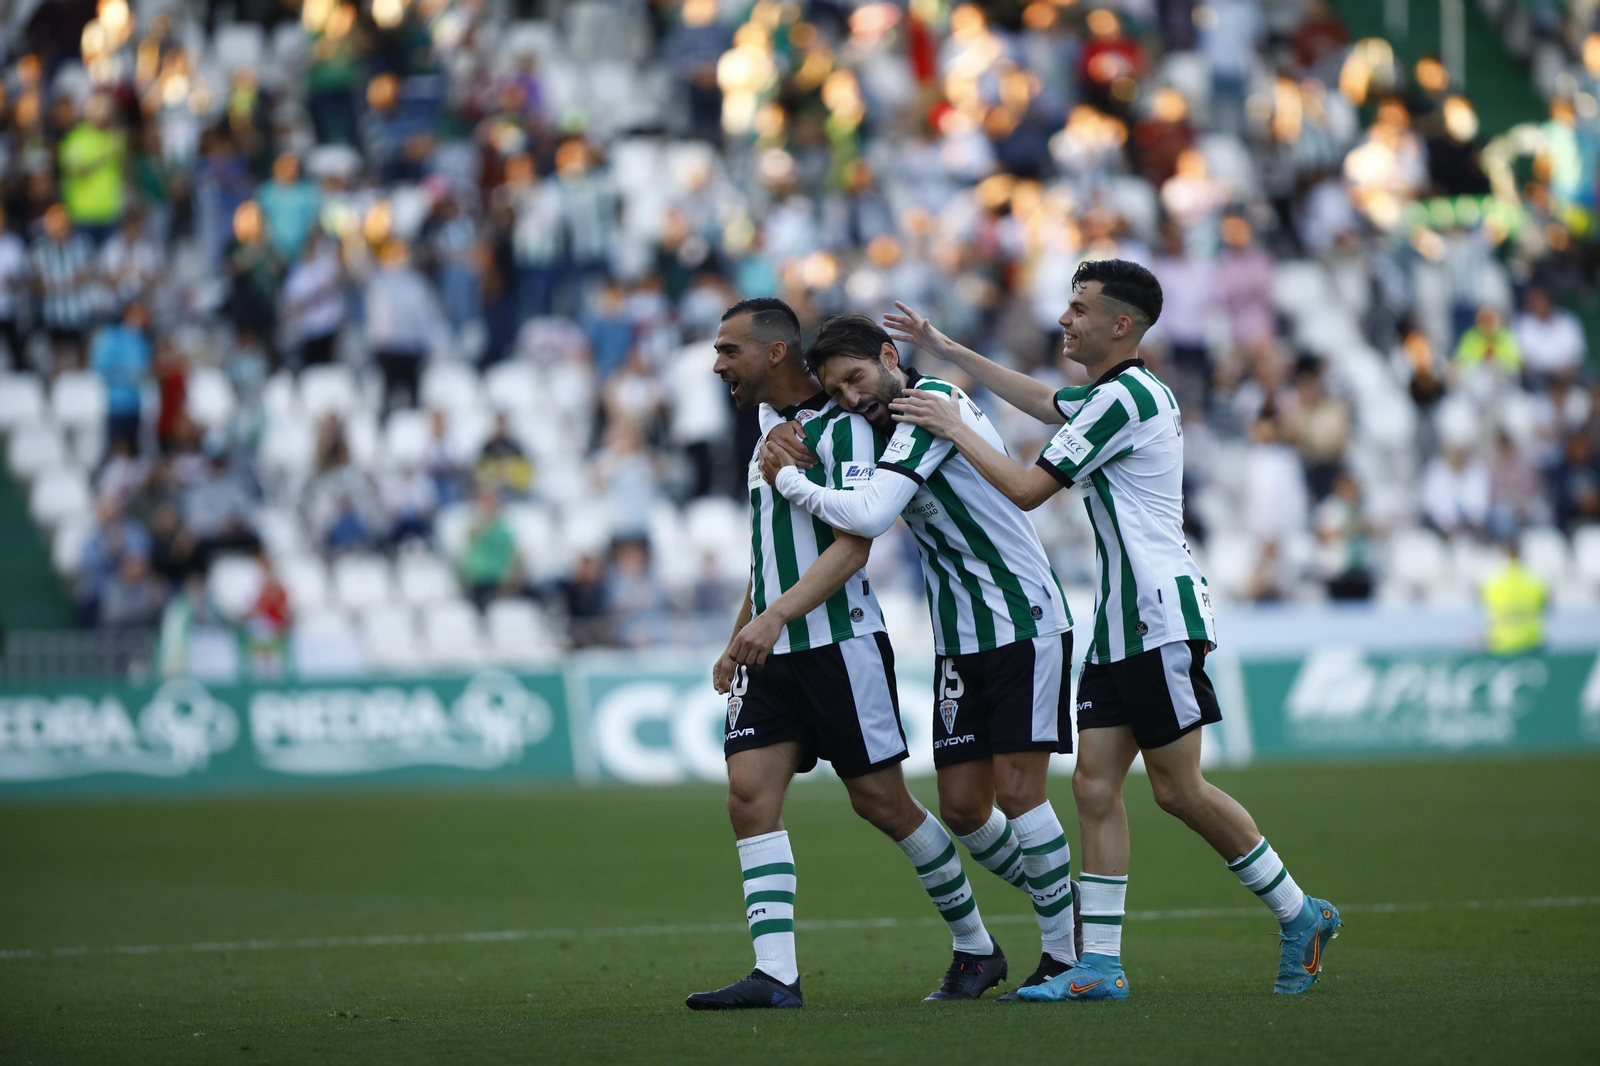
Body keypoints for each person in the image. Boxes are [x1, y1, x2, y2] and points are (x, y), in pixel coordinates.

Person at [878, 260, 1340, 999]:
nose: (1065, 318)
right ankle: (1099, 968)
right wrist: (951, 352)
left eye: (1079, 308)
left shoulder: (1126, 400)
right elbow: (1039, 400)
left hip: (1161, 613)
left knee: (1178, 790)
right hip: (1119, 623)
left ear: (1120, 325)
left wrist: (953, 425)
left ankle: (1299, 912)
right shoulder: (1109, 396)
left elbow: (1028, 490)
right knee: (1094, 788)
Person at [687, 298, 1004, 1011]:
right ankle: (775, 975)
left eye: (728, 349)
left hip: (840, 643)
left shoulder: (848, 429)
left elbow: (854, 547)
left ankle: (978, 945)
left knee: (883, 804)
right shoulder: (770, 432)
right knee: (748, 798)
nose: (718, 364)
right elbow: (771, 550)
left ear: (773, 352)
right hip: (772, 651)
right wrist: (741, 634)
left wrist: (771, 618)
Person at [759, 314, 1082, 1000]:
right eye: (836, 390)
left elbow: (871, 516)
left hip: (1022, 616)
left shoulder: (932, 410)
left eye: (854, 379)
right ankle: (1066, 901)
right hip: (961, 635)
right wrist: (789, 429)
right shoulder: (878, 426)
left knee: (1021, 792)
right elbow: (827, 435)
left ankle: (1062, 953)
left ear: (886, 356)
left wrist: (788, 480)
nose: (849, 397)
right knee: (964, 809)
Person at [1480, 542, 1547, 656]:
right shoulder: (1536, 580)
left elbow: (1483, 603)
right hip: (1531, 644)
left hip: (1501, 646)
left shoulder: (1491, 582)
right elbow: (1545, 605)